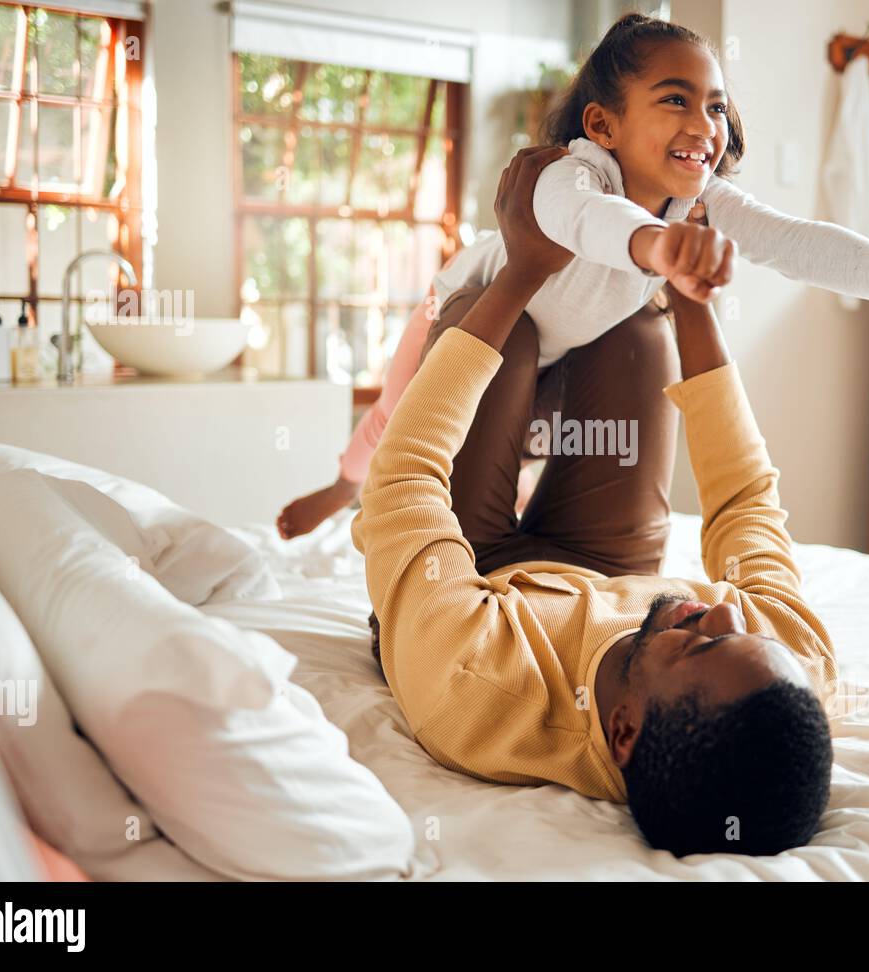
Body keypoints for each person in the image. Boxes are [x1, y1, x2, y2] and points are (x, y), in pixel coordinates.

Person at [277, 11, 869, 540]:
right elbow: (583, 225)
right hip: (468, 327)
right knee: (394, 425)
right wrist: (659, 249)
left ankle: (543, 534)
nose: (704, 125)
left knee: (596, 409)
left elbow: (804, 243)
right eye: (675, 101)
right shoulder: (569, 176)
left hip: (568, 359)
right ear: (602, 123)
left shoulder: (698, 201)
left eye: (715, 108)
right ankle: (345, 490)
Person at [354, 146, 837, 857]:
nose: (726, 610)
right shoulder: (783, 671)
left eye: (701, 640)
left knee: (496, 322)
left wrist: (523, 269)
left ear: (623, 732)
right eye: (745, 631)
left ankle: (515, 313)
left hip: (470, 580)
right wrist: (689, 300)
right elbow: (746, 503)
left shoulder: (475, 686)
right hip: (609, 569)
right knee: (639, 328)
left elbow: (400, 482)